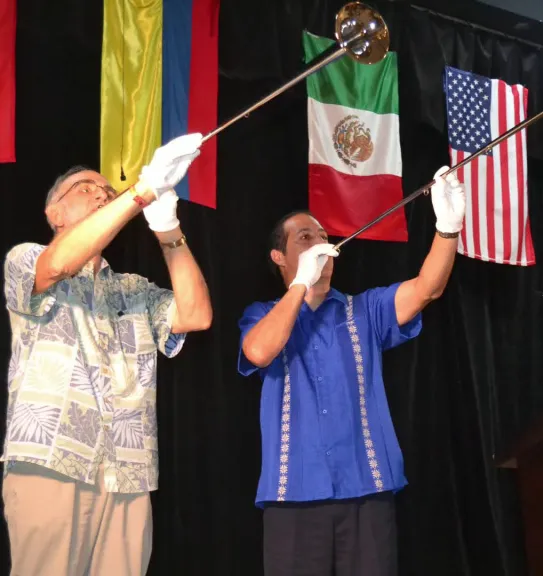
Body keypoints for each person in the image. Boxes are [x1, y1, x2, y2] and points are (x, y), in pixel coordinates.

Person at [237, 166, 466, 575]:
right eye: (305, 237)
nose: (319, 243)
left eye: (323, 236)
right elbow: (257, 351)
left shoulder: (365, 309)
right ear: (278, 257)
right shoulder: (263, 314)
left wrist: (447, 229)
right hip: (292, 497)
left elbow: (427, 288)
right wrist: (299, 288)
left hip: (368, 493)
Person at [1, 133, 212, 576]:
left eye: (107, 192)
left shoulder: (132, 288)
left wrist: (168, 229)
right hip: (53, 461)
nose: (101, 194)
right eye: (85, 189)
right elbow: (58, 265)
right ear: (53, 212)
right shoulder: (27, 258)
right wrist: (141, 191)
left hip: (128, 473)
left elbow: (195, 316)